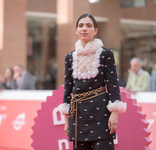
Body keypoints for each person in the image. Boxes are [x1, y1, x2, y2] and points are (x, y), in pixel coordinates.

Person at [58, 13, 126, 150]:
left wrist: (114, 113)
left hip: (101, 113)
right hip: (77, 115)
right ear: (76, 31)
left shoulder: (106, 54)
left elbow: (112, 84)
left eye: (89, 26)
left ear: (95, 31)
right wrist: (66, 119)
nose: (84, 28)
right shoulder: (69, 57)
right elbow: (68, 88)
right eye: (80, 26)